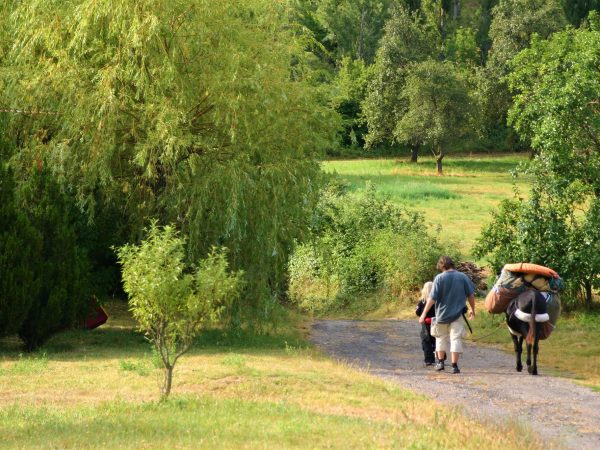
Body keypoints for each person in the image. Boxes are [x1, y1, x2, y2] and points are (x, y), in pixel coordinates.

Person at [419, 256, 475, 374]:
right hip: (457, 315)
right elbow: (470, 295)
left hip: (441, 315)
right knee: (455, 339)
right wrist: (472, 309)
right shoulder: (463, 277)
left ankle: (440, 363)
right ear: (452, 264)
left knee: (440, 338)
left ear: (441, 266)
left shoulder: (439, 278)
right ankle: (455, 366)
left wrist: (423, 314)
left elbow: (432, 298)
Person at [415, 281, 436, 366]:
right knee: (437, 339)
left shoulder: (422, 302)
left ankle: (428, 359)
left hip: (426, 323)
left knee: (426, 341)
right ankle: (440, 355)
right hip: (437, 322)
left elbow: (417, 312)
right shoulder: (438, 301)